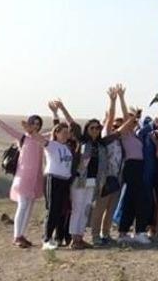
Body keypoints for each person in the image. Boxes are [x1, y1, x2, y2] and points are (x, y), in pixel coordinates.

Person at [0, 102, 47, 248]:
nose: (36, 126)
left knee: (29, 207)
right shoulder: (22, 137)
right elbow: (4, 126)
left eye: (38, 124)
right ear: (29, 124)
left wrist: (57, 114)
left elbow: (57, 133)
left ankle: (22, 235)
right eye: (33, 123)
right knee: (23, 205)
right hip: (23, 178)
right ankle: (17, 236)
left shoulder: (41, 138)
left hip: (35, 178)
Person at [55, 99, 107, 250]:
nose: (96, 130)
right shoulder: (82, 140)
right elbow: (72, 124)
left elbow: (118, 133)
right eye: (92, 128)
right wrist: (62, 108)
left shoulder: (101, 144)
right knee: (77, 209)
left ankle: (80, 237)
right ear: (87, 129)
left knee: (85, 209)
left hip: (93, 181)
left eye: (98, 128)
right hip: (79, 179)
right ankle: (73, 239)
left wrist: (132, 118)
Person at [108, 85, 152, 245]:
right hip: (131, 166)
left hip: (139, 167)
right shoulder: (125, 134)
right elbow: (128, 118)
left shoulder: (134, 134)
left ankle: (126, 230)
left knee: (132, 199)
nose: (134, 121)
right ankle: (137, 231)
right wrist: (121, 98)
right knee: (137, 199)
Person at [90, 92, 124, 246]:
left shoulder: (119, 141)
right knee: (100, 207)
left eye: (119, 126)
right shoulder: (106, 136)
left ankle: (106, 233)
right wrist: (113, 101)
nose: (116, 127)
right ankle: (95, 235)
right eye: (115, 125)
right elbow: (110, 118)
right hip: (104, 178)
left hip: (116, 177)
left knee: (111, 208)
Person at [39, 121, 74, 250]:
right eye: (63, 132)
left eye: (67, 133)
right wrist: (32, 131)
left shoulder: (67, 147)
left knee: (61, 210)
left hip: (65, 180)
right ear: (57, 133)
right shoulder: (52, 145)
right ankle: (46, 239)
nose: (66, 135)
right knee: (53, 209)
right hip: (53, 178)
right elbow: (40, 139)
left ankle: (56, 238)